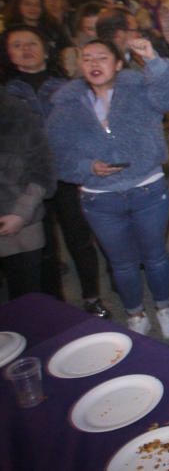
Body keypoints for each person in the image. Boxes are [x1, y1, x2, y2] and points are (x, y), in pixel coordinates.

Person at [46, 37, 169, 337]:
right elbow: (56, 153)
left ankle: (164, 307)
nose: (94, 64)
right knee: (121, 263)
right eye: (87, 58)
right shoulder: (66, 103)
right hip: (101, 197)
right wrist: (87, 167)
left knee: (156, 255)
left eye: (102, 57)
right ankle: (135, 314)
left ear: (119, 64)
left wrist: (153, 60)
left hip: (147, 188)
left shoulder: (138, 88)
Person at [1, 26, 109, 317]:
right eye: (17, 45)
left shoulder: (67, 86)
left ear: (46, 49)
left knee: (79, 238)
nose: (26, 49)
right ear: (8, 54)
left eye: (32, 43)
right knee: (41, 245)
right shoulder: (7, 92)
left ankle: (91, 296)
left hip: (67, 170)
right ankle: (53, 304)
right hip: (24, 181)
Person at [0, 89, 56, 300]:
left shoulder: (14, 110)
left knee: (26, 295)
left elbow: (41, 167)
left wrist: (21, 214)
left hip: (17, 217)